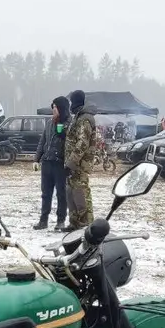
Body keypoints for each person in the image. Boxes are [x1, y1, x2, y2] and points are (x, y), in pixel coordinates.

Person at [33, 96, 70, 231]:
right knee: (46, 193)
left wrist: (63, 134)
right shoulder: (49, 123)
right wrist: (36, 159)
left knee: (61, 193)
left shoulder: (69, 123)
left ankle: (61, 220)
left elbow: (70, 144)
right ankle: (43, 220)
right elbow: (42, 142)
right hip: (47, 163)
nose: (53, 110)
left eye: (55, 107)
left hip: (60, 164)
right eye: (52, 107)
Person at [63, 90, 96, 230]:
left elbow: (82, 143)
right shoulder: (77, 117)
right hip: (73, 164)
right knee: (71, 193)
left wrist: (71, 162)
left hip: (80, 164)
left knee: (81, 193)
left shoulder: (85, 118)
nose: (70, 105)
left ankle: (86, 224)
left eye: (71, 101)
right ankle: (74, 222)